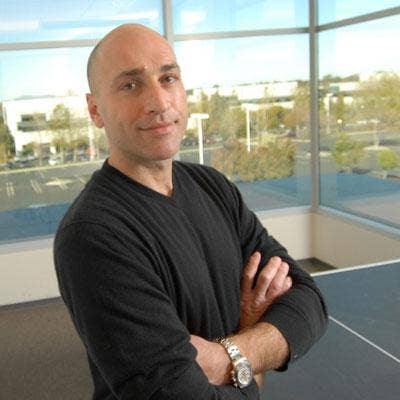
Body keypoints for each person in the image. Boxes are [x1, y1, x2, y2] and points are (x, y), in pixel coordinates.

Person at [54, 24, 328, 400]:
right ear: (95, 110)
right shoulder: (94, 234)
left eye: (168, 78)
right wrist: (253, 365)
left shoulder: (212, 186)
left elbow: (308, 301)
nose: (159, 102)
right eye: (130, 85)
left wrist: (228, 356)